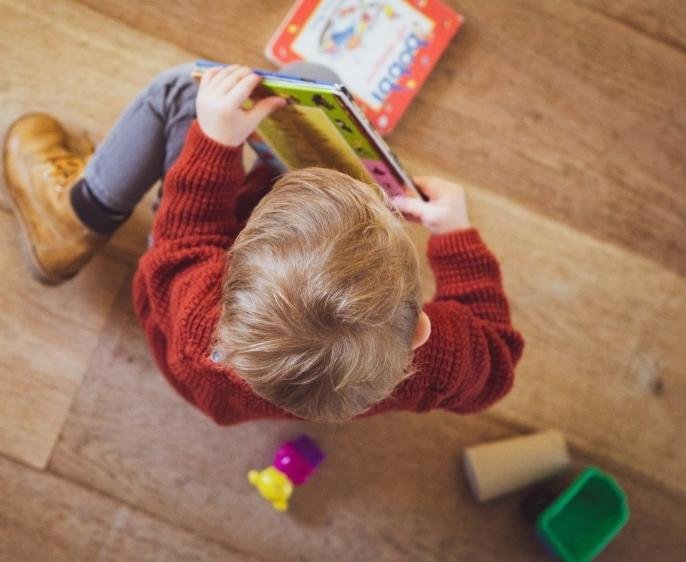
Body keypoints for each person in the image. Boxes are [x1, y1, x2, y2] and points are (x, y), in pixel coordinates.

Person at [2, 63, 524, 423]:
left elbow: (188, 237)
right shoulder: (437, 358)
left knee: (182, 90)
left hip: (177, 290)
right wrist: (455, 236)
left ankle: (74, 217)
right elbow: (496, 361)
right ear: (419, 331)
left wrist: (214, 142)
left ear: (235, 268)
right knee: (313, 82)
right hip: (263, 385)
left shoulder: (202, 315)